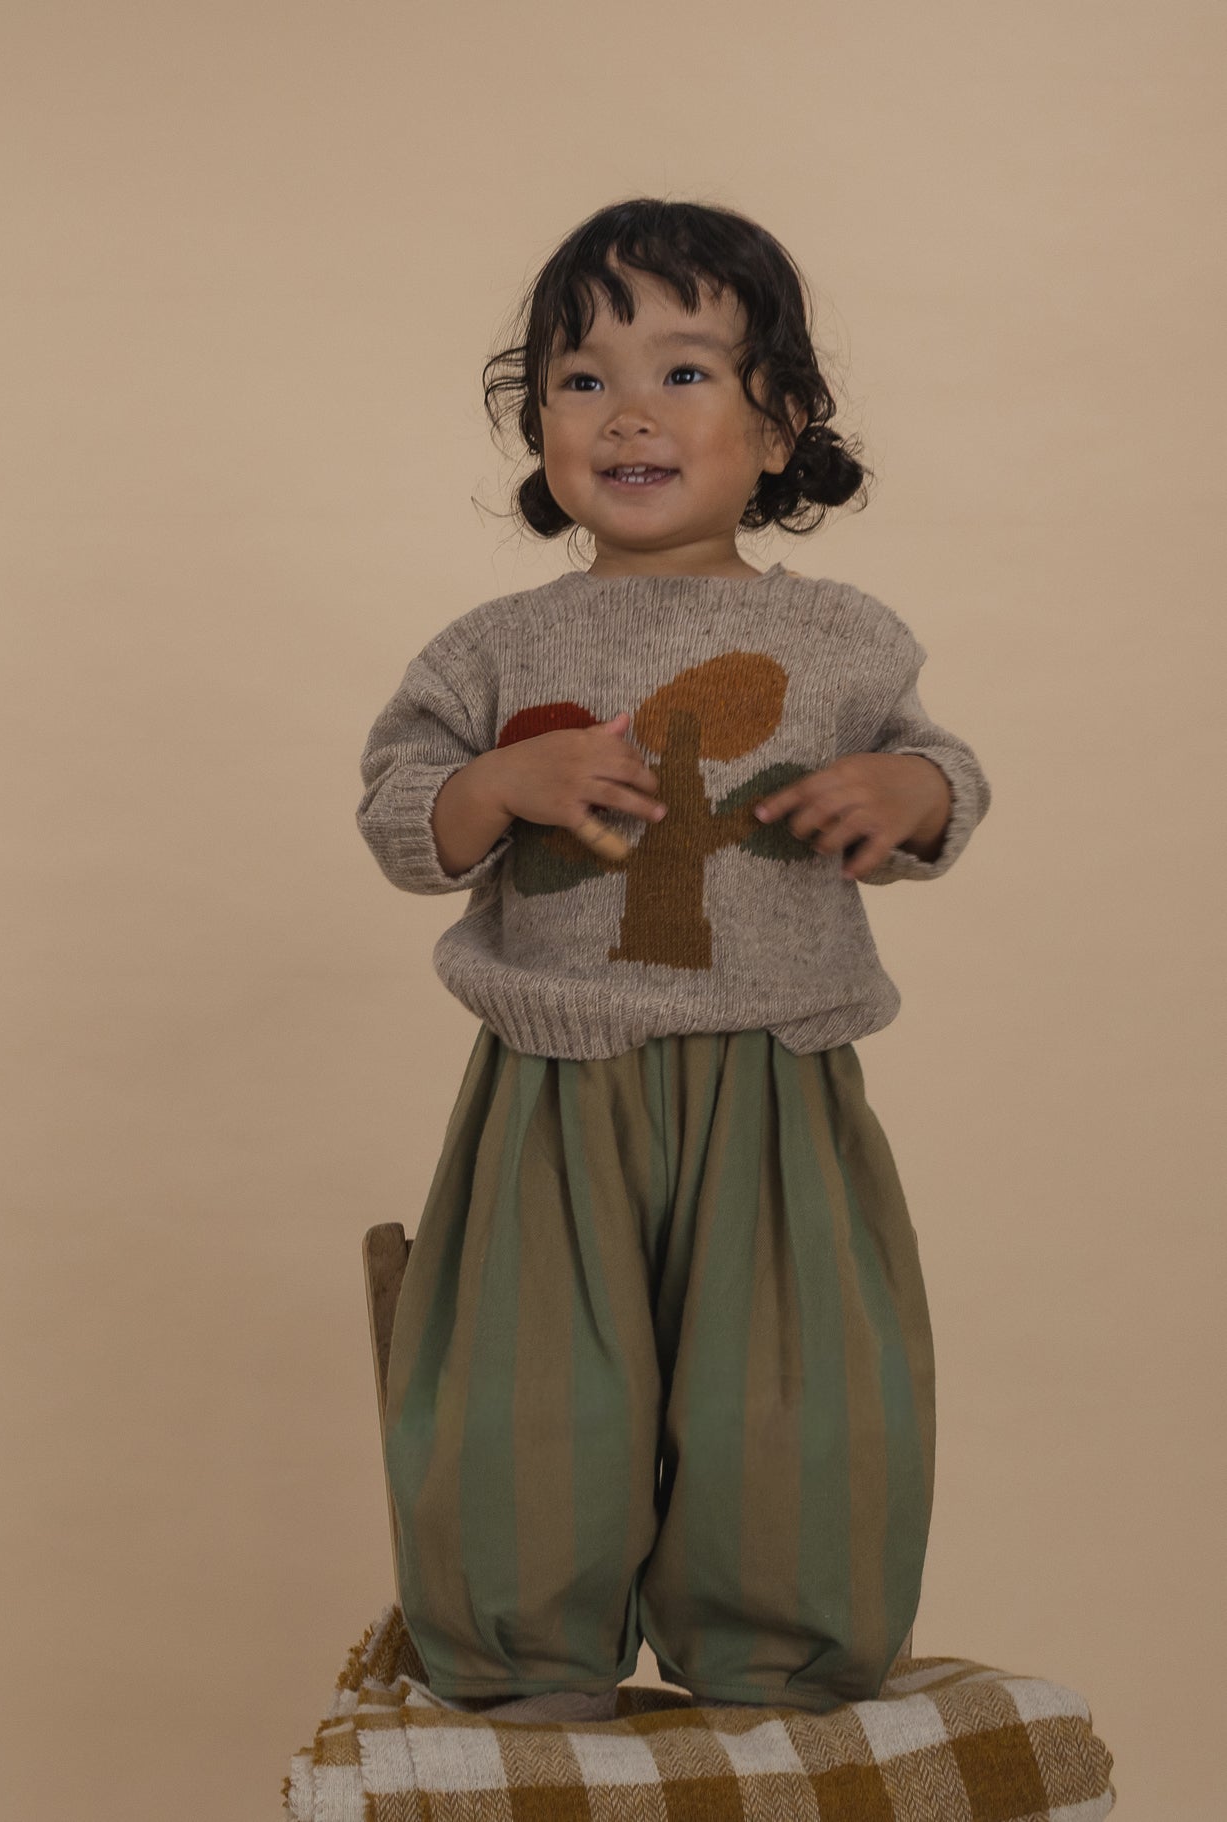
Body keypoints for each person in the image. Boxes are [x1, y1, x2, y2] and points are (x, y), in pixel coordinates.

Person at [354, 197, 991, 1714]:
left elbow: (939, 771)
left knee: (794, 1396)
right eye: (579, 378)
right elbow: (396, 806)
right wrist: (495, 786)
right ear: (540, 428)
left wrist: (906, 796)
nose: (626, 410)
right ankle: (525, 1675)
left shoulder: (843, 637)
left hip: (778, 1081)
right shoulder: (492, 644)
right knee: (524, 1398)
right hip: (550, 1089)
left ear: (780, 425)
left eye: (685, 371)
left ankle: (774, 1667)